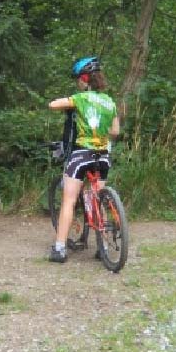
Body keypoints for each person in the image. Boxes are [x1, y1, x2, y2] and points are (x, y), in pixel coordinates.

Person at [48, 56, 119, 263]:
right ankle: (103, 246)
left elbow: (52, 105)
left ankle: (60, 248)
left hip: (81, 156)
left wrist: (72, 104)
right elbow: (115, 131)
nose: (77, 82)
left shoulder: (80, 98)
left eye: (78, 78)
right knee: (97, 197)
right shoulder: (110, 102)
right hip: (103, 157)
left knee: (69, 199)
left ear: (85, 79)